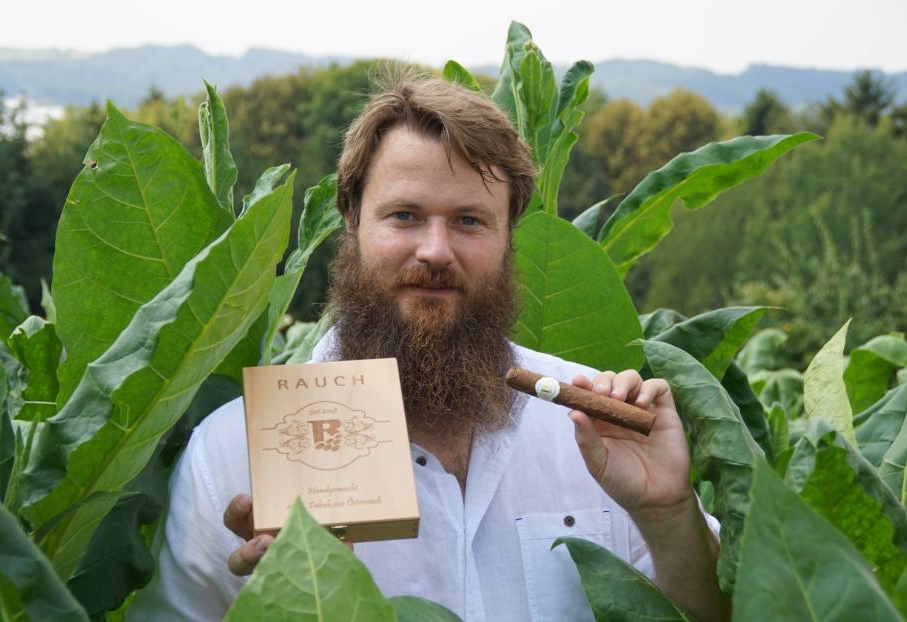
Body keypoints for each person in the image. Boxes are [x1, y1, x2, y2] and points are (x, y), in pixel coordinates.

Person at [129, 73, 730, 621]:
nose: (436, 251)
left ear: (508, 238)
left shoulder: (593, 430)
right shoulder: (235, 454)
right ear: (351, 222)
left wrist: (666, 513)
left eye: (469, 220)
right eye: (405, 215)